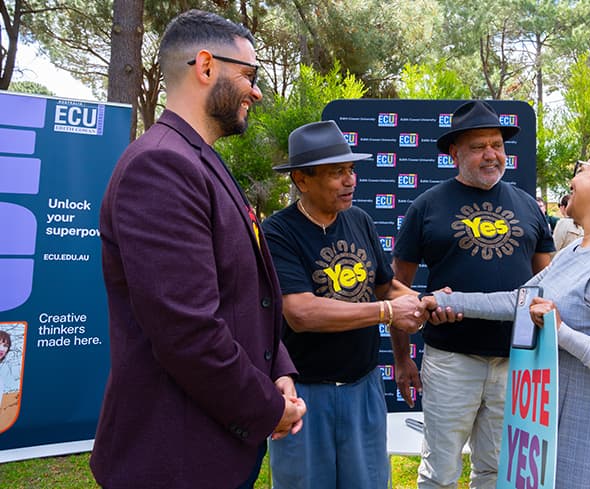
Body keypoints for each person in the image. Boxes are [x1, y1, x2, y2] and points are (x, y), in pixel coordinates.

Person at [91, 10, 305, 489]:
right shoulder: (162, 165)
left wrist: (278, 370)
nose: (257, 91)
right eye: (248, 75)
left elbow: (245, 296)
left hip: (213, 449)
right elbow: (186, 331)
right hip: (174, 459)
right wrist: (267, 410)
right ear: (205, 66)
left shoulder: (199, 160)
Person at [425, 147, 590, 488]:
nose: (573, 178)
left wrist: (561, 331)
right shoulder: (573, 252)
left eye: (582, 169)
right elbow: (519, 301)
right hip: (556, 427)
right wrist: (448, 300)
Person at [391, 100, 555, 488]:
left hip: (515, 362)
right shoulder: (426, 207)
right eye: (479, 146)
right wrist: (401, 359)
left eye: (497, 144)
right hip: (451, 360)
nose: (491, 155)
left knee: (498, 471)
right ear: (454, 153)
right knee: (440, 472)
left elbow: (550, 283)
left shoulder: (528, 207)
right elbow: (396, 287)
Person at [263, 120, 429, 489]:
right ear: (301, 180)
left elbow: (386, 287)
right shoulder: (278, 232)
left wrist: (424, 303)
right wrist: (388, 313)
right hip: (305, 394)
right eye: (337, 172)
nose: (350, 180)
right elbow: (301, 312)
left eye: (351, 170)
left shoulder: (360, 220)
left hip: (363, 388)